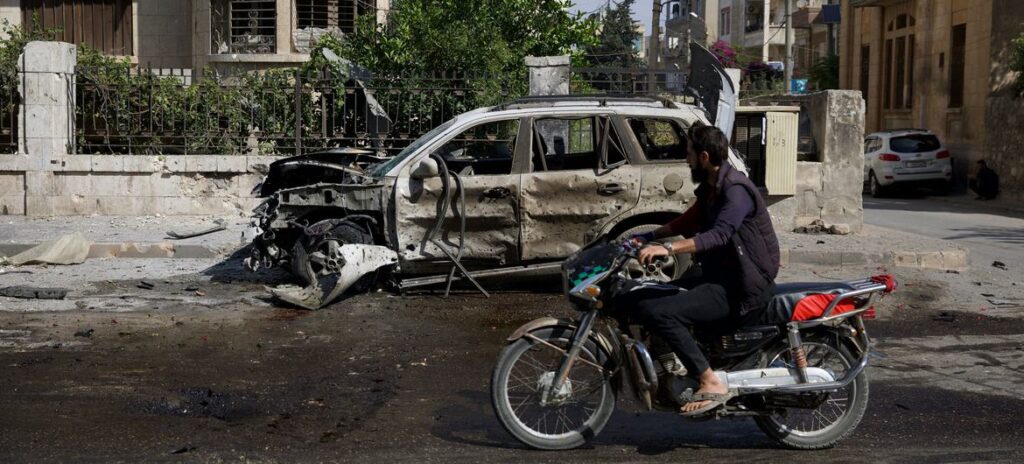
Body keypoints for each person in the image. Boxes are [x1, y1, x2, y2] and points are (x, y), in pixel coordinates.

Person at [618, 123, 780, 416]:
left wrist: (667, 249)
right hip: (720, 273)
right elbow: (690, 220)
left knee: (663, 312)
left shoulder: (736, 190)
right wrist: (650, 236)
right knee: (653, 297)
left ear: (704, 156)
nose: (687, 159)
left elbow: (719, 234)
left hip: (742, 285)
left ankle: (709, 379)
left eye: (690, 153)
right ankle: (677, 365)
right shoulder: (712, 186)